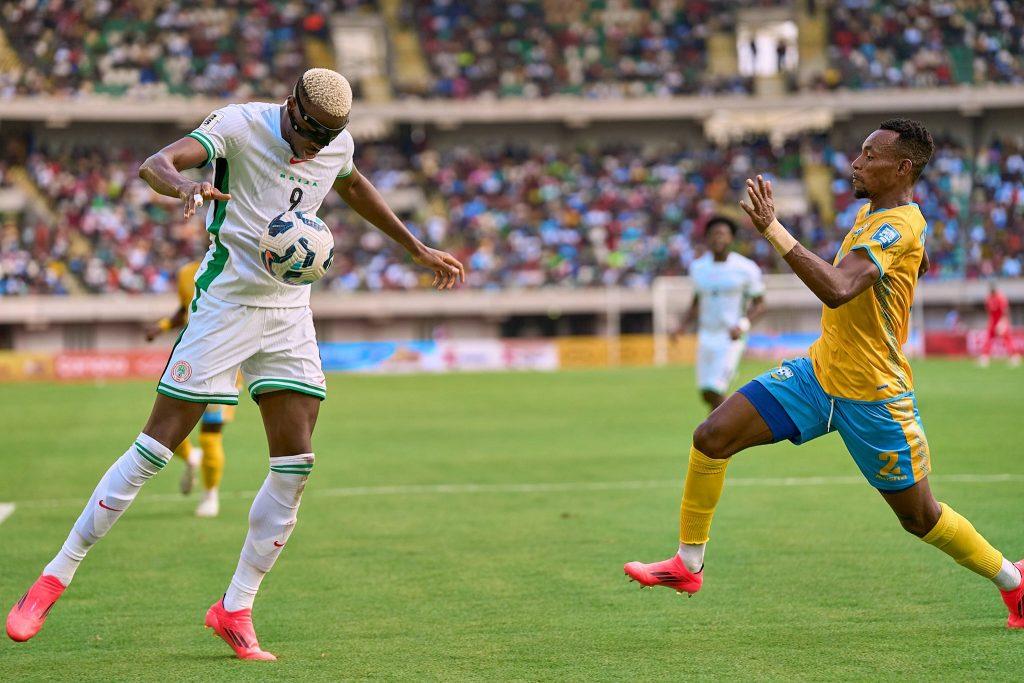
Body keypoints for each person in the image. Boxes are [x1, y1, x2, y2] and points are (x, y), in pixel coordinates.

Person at [7, 68, 465, 659]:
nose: (316, 149)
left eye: (328, 139)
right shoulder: (240, 125)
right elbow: (155, 163)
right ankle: (53, 577)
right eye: (310, 135)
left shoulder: (334, 145)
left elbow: (352, 185)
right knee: (154, 450)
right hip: (225, 304)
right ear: (291, 107)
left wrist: (415, 248)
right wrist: (185, 187)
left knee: (296, 464)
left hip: (289, 312)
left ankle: (235, 607)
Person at [623, 119, 1024, 628]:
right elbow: (912, 262)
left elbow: (837, 289)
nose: (855, 163)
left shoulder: (895, 226)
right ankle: (688, 563)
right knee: (712, 436)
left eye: (870, 156)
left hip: (875, 397)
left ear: (903, 168)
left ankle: (1014, 582)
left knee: (919, 517)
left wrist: (773, 229)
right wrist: (909, 268)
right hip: (817, 376)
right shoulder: (877, 215)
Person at [144, 259, 233, 517]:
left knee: (210, 436)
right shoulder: (185, 273)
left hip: (224, 365)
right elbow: (186, 309)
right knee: (166, 427)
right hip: (190, 362)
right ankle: (192, 457)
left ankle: (210, 495)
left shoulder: (239, 263)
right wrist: (162, 326)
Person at [682, 216, 766, 412]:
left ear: (731, 238)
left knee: (715, 388)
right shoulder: (698, 268)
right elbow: (696, 301)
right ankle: (719, 429)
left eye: (723, 234)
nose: (718, 238)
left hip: (730, 337)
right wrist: (681, 326)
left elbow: (760, 304)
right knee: (707, 393)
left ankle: (731, 426)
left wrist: (742, 325)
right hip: (706, 335)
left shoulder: (746, 268)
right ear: (707, 238)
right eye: (714, 234)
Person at [979, 282, 1020, 368]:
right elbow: (989, 311)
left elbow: (1005, 310)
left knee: (1007, 339)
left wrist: (1002, 322)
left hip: (1001, 320)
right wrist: (991, 322)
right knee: (988, 338)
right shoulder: (988, 298)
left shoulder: (1001, 298)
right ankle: (985, 357)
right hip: (993, 321)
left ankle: (1014, 357)